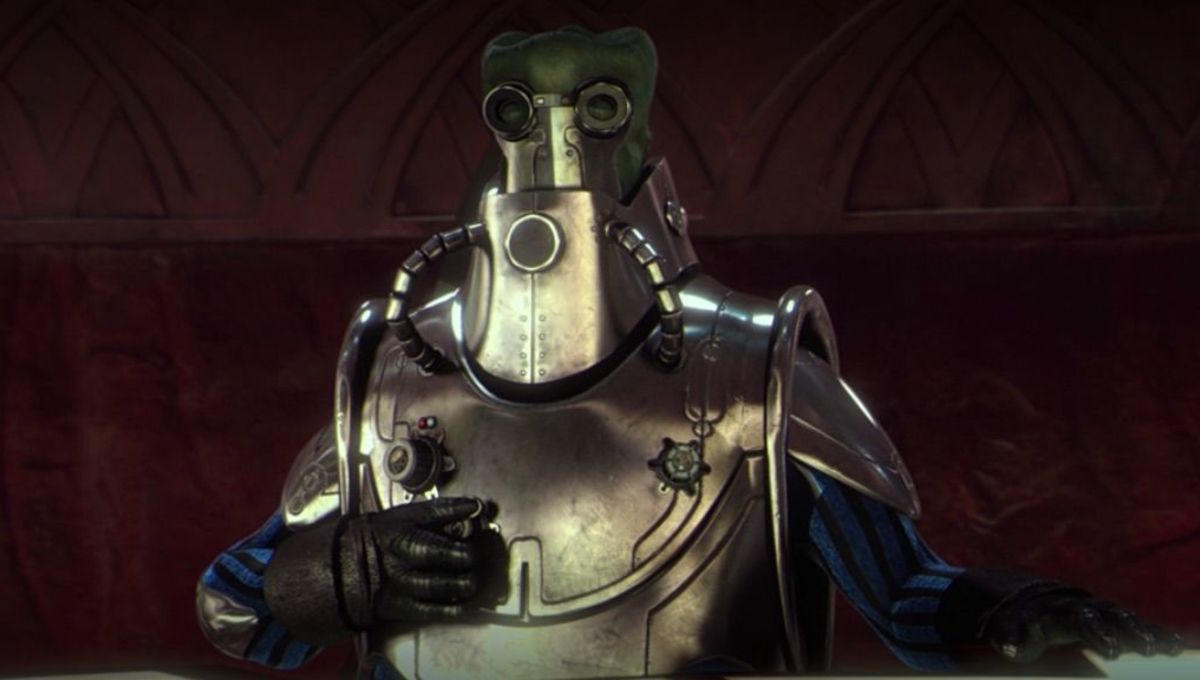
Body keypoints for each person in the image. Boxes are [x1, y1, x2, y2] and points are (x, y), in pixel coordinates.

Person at [196, 27, 1182, 678]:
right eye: (520, 112)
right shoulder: (401, 376)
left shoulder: (751, 375)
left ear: (636, 131)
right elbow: (236, 605)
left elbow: (905, 596)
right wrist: (339, 574)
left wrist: (1013, 610)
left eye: (596, 111)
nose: (557, 146)